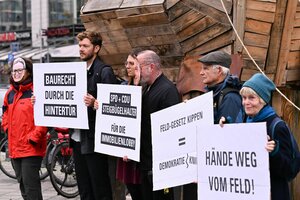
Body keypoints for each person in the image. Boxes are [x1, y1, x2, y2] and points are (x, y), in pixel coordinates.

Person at [219, 73, 293, 200]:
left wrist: (274, 152)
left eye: (251, 98)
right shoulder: (246, 119)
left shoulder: (277, 126)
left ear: (262, 100)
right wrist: (228, 127)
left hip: (273, 194)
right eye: (244, 98)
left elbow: (288, 169)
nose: (245, 102)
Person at [72, 30, 118, 200]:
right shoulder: (78, 70)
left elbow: (112, 107)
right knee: (84, 187)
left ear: (96, 48)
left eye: (85, 46)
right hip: (77, 138)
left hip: (93, 139)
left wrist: (95, 104)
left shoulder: (104, 71)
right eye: (80, 46)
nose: (81, 49)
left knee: (99, 187)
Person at [1, 57, 48, 200]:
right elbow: (5, 114)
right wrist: (7, 129)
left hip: (30, 148)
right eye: (14, 71)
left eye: (20, 70)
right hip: (15, 148)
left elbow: (44, 118)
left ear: (28, 71)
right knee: (23, 187)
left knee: (31, 188)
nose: (16, 74)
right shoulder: (10, 93)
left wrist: (33, 137)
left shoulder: (37, 91)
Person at [137, 50, 181, 200]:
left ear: (151, 67)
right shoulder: (146, 88)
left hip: (159, 164)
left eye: (139, 67)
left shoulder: (167, 90)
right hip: (146, 160)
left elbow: (172, 130)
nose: (137, 71)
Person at [116, 51, 143, 200]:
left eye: (131, 63)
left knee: (141, 186)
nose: (127, 66)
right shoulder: (123, 85)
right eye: (126, 63)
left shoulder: (147, 87)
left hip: (140, 148)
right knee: (131, 186)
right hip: (126, 145)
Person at [198, 50, 242, 124]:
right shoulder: (212, 93)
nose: (201, 73)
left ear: (219, 70)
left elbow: (227, 131)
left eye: (205, 68)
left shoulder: (231, 97)